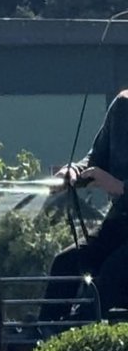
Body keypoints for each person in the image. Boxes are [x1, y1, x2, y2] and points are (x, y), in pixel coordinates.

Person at [39, 89, 128, 324]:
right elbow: (95, 158)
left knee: (113, 272)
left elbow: (115, 184)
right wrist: (74, 171)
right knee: (66, 262)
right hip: (120, 222)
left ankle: (77, 333)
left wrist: (121, 187)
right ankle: (41, 334)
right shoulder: (122, 106)